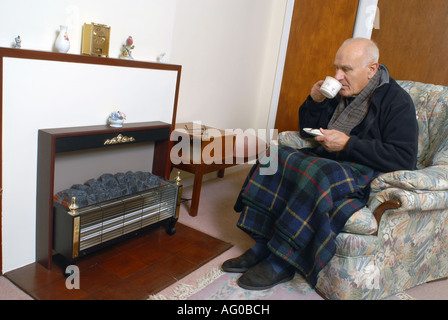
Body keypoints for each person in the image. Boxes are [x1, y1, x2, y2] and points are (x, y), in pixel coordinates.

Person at [222, 38, 419, 290]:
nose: (337, 76)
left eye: (346, 69)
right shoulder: (337, 91)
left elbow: (404, 157)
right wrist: (314, 101)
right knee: (274, 154)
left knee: (317, 173)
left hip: (363, 168)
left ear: (371, 69)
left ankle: (282, 261)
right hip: (330, 158)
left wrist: (348, 144)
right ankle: (263, 243)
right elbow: (306, 131)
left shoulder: (397, 101)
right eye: (336, 67)